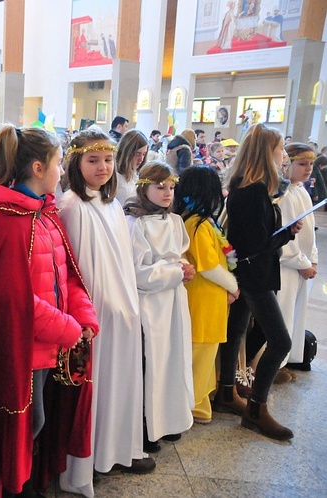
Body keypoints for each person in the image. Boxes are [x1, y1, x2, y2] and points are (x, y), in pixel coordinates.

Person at [0, 125, 98, 497]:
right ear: (38, 168)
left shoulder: (42, 214)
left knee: (39, 421)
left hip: (48, 344)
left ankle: (29, 484)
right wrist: (69, 329)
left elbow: (67, 274)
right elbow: (15, 301)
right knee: (27, 422)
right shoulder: (7, 222)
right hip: (25, 347)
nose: (61, 171)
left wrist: (84, 318)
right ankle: (15, 489)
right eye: (58, 163)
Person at [59, 129, 154, 498]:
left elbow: (123, 261)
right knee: (97, 386)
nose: (102, 167)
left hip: (123, 307)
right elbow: (77, 267)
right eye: (92, 160)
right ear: (75, 163)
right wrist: (102, 307)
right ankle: (89, 459)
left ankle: (117, 449)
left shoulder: (113, 204)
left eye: (108, 160)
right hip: (97, 310)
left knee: (121, 380)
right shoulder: (73, 205)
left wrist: (127, 300)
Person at [217, 123, 302, 441]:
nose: (283, 155)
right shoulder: (251, 193)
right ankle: (256, 409)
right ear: (267, 152)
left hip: (250, 271)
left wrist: (281, 232)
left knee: (236, 330)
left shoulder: (247, 186)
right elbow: (255, 245)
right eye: (280, 149)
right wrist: (284, 234)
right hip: (254, 275)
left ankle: (227, 391)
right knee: (281, 341)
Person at [123, 161, 195, 448]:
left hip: (173, 302)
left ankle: (167, 419)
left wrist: (183, 267)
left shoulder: (175, 221)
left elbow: (180, 254)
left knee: (171, 360)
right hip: (151, 305)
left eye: (171, 187)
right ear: (144, 188)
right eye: (160, 187)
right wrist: (176, 272)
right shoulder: (136, 223)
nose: (167, 193)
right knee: (150, 364)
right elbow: (138, 272)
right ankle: (145, 426)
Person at [173, 166, 240, 425]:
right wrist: (233, 287)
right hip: (203, 301)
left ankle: (200, 406)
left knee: (205, 355)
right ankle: (191, 408)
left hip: (210, 300)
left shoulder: (203, 221)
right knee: (199, 357)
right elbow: (209, 266)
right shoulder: (197, 224)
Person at [274, 144, 318, 368]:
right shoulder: (282, 195)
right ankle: (273, 365)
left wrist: (313, 258)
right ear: (286, 164)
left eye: (311, 164)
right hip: (287, 267)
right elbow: (284, 236)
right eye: (302, 164)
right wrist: (301, 263)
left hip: (302, 264)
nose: (308, 168)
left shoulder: (301, 191)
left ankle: (287, 360)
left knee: (295, 314)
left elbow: (310, 229)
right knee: (283, 314)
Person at [114, 129, 149, 205]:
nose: (141, 159)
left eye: (144, 154)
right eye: (137, 154)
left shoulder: (137, 174)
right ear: (127, 152)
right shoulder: (116, 177)